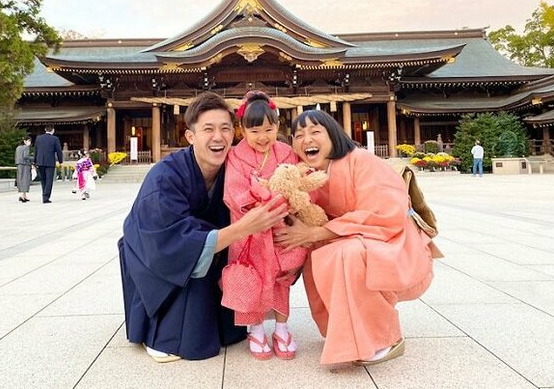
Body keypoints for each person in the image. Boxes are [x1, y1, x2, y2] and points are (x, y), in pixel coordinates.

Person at [118, 92, 289, 363]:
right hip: (156, 254)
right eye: (208, 129)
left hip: (213, 252)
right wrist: (243, 228)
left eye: (225, 129)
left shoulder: (234, 168)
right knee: (191, 264)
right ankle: (161, 329)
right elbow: (169, 240)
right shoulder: (165, 177)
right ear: (190, 137)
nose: (218, 137)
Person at [274, 110, 434, 366]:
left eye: (315, 132)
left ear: (334, 135)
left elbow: (386, 213)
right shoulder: (305, 175)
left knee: (346, 254)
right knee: (319, 254)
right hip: (350, 236)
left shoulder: (360, 160)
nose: (306, 140)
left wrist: (318, 232)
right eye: (298, 135)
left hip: (393, 241)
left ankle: (384, 338)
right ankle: (347, 334)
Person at [223, 91, 308, 361]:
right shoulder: (236, 156)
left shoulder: (285, 152)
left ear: (278, 127)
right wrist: (259, 204)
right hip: (249, 231)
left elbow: (295, 184)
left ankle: (282, 328)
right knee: (253, 278)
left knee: (282, 279)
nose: (263, 137)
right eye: (255, 130)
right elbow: (233, 194)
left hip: (281, 227)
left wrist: (279, 204)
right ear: (243, 130)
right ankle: (255, 328)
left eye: (269, 129)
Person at [33, 124, 63, 203]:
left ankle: (44, 194)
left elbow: (35, 150)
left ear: (45, 130)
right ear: (53, 130)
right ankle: (46, 197)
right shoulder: (55, 139)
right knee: (49, 179)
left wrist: (34, 161)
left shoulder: (38, 138)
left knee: (43, 179)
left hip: (40, 162)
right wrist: (60, 161)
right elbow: (59, 151)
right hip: (50, 162)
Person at [14, 136, 33, 203]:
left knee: (20, 179)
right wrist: (33, 158)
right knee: (25, 179)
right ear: (25, 141)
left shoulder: (18, 147)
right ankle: (23, 196)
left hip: (19, 164)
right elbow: (25, 156)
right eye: (28, 141)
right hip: (25, 165)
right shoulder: (26, 147)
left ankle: (24, 195)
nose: (29, 143)